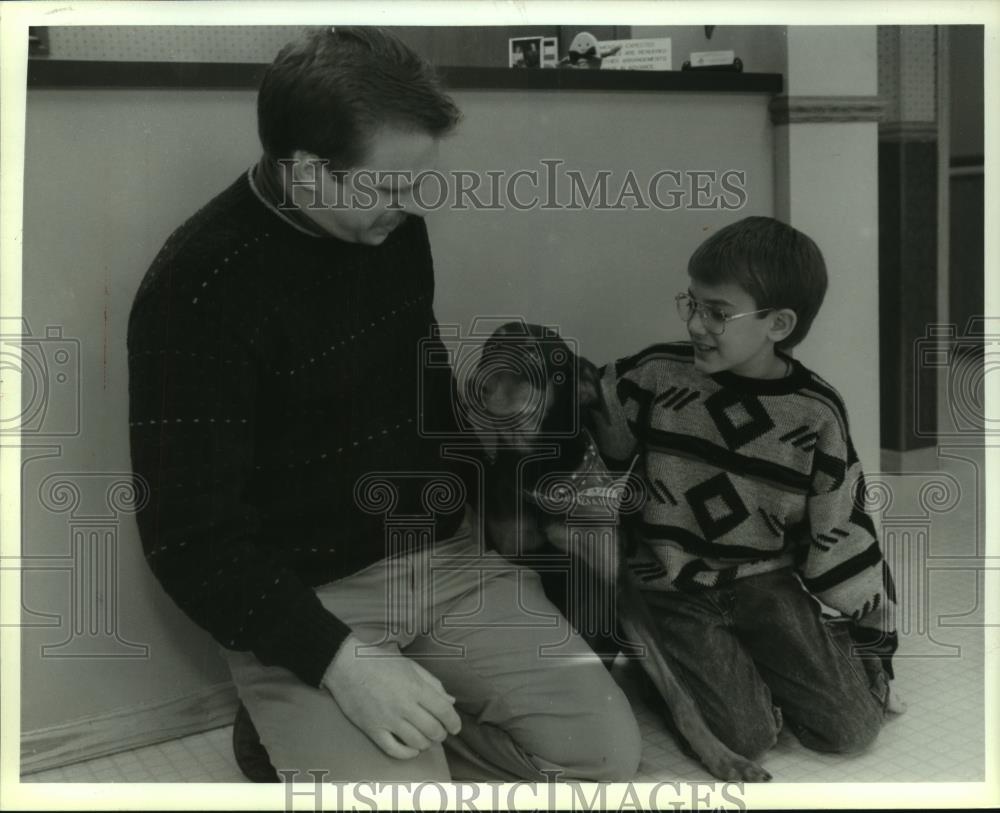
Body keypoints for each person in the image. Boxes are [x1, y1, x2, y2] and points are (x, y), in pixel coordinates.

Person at [127, 26, 640, 783]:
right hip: (312, 595)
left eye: (421, 181)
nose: (413, 205)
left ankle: (381, 721)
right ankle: (297, 716)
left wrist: (490, 531)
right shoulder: (196, 291)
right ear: (306, 173)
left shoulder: (390, 231)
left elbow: (424, 392)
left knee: (606, 755)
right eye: (391, 185)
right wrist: (336, 660)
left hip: (440, 561)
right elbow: (188, 540)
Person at [594, 216, 904, 765]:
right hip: (672, 587)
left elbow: (839, 525)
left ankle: (829, 658)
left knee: (852, 732)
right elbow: (601, 441)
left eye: (717, 313)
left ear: (778, 324)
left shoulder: (815, 413)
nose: (695, 324)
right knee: (747, 737)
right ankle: (681, 669)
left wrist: (874, 631)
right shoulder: (653, 375)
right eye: (691, 304)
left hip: (766, 583)